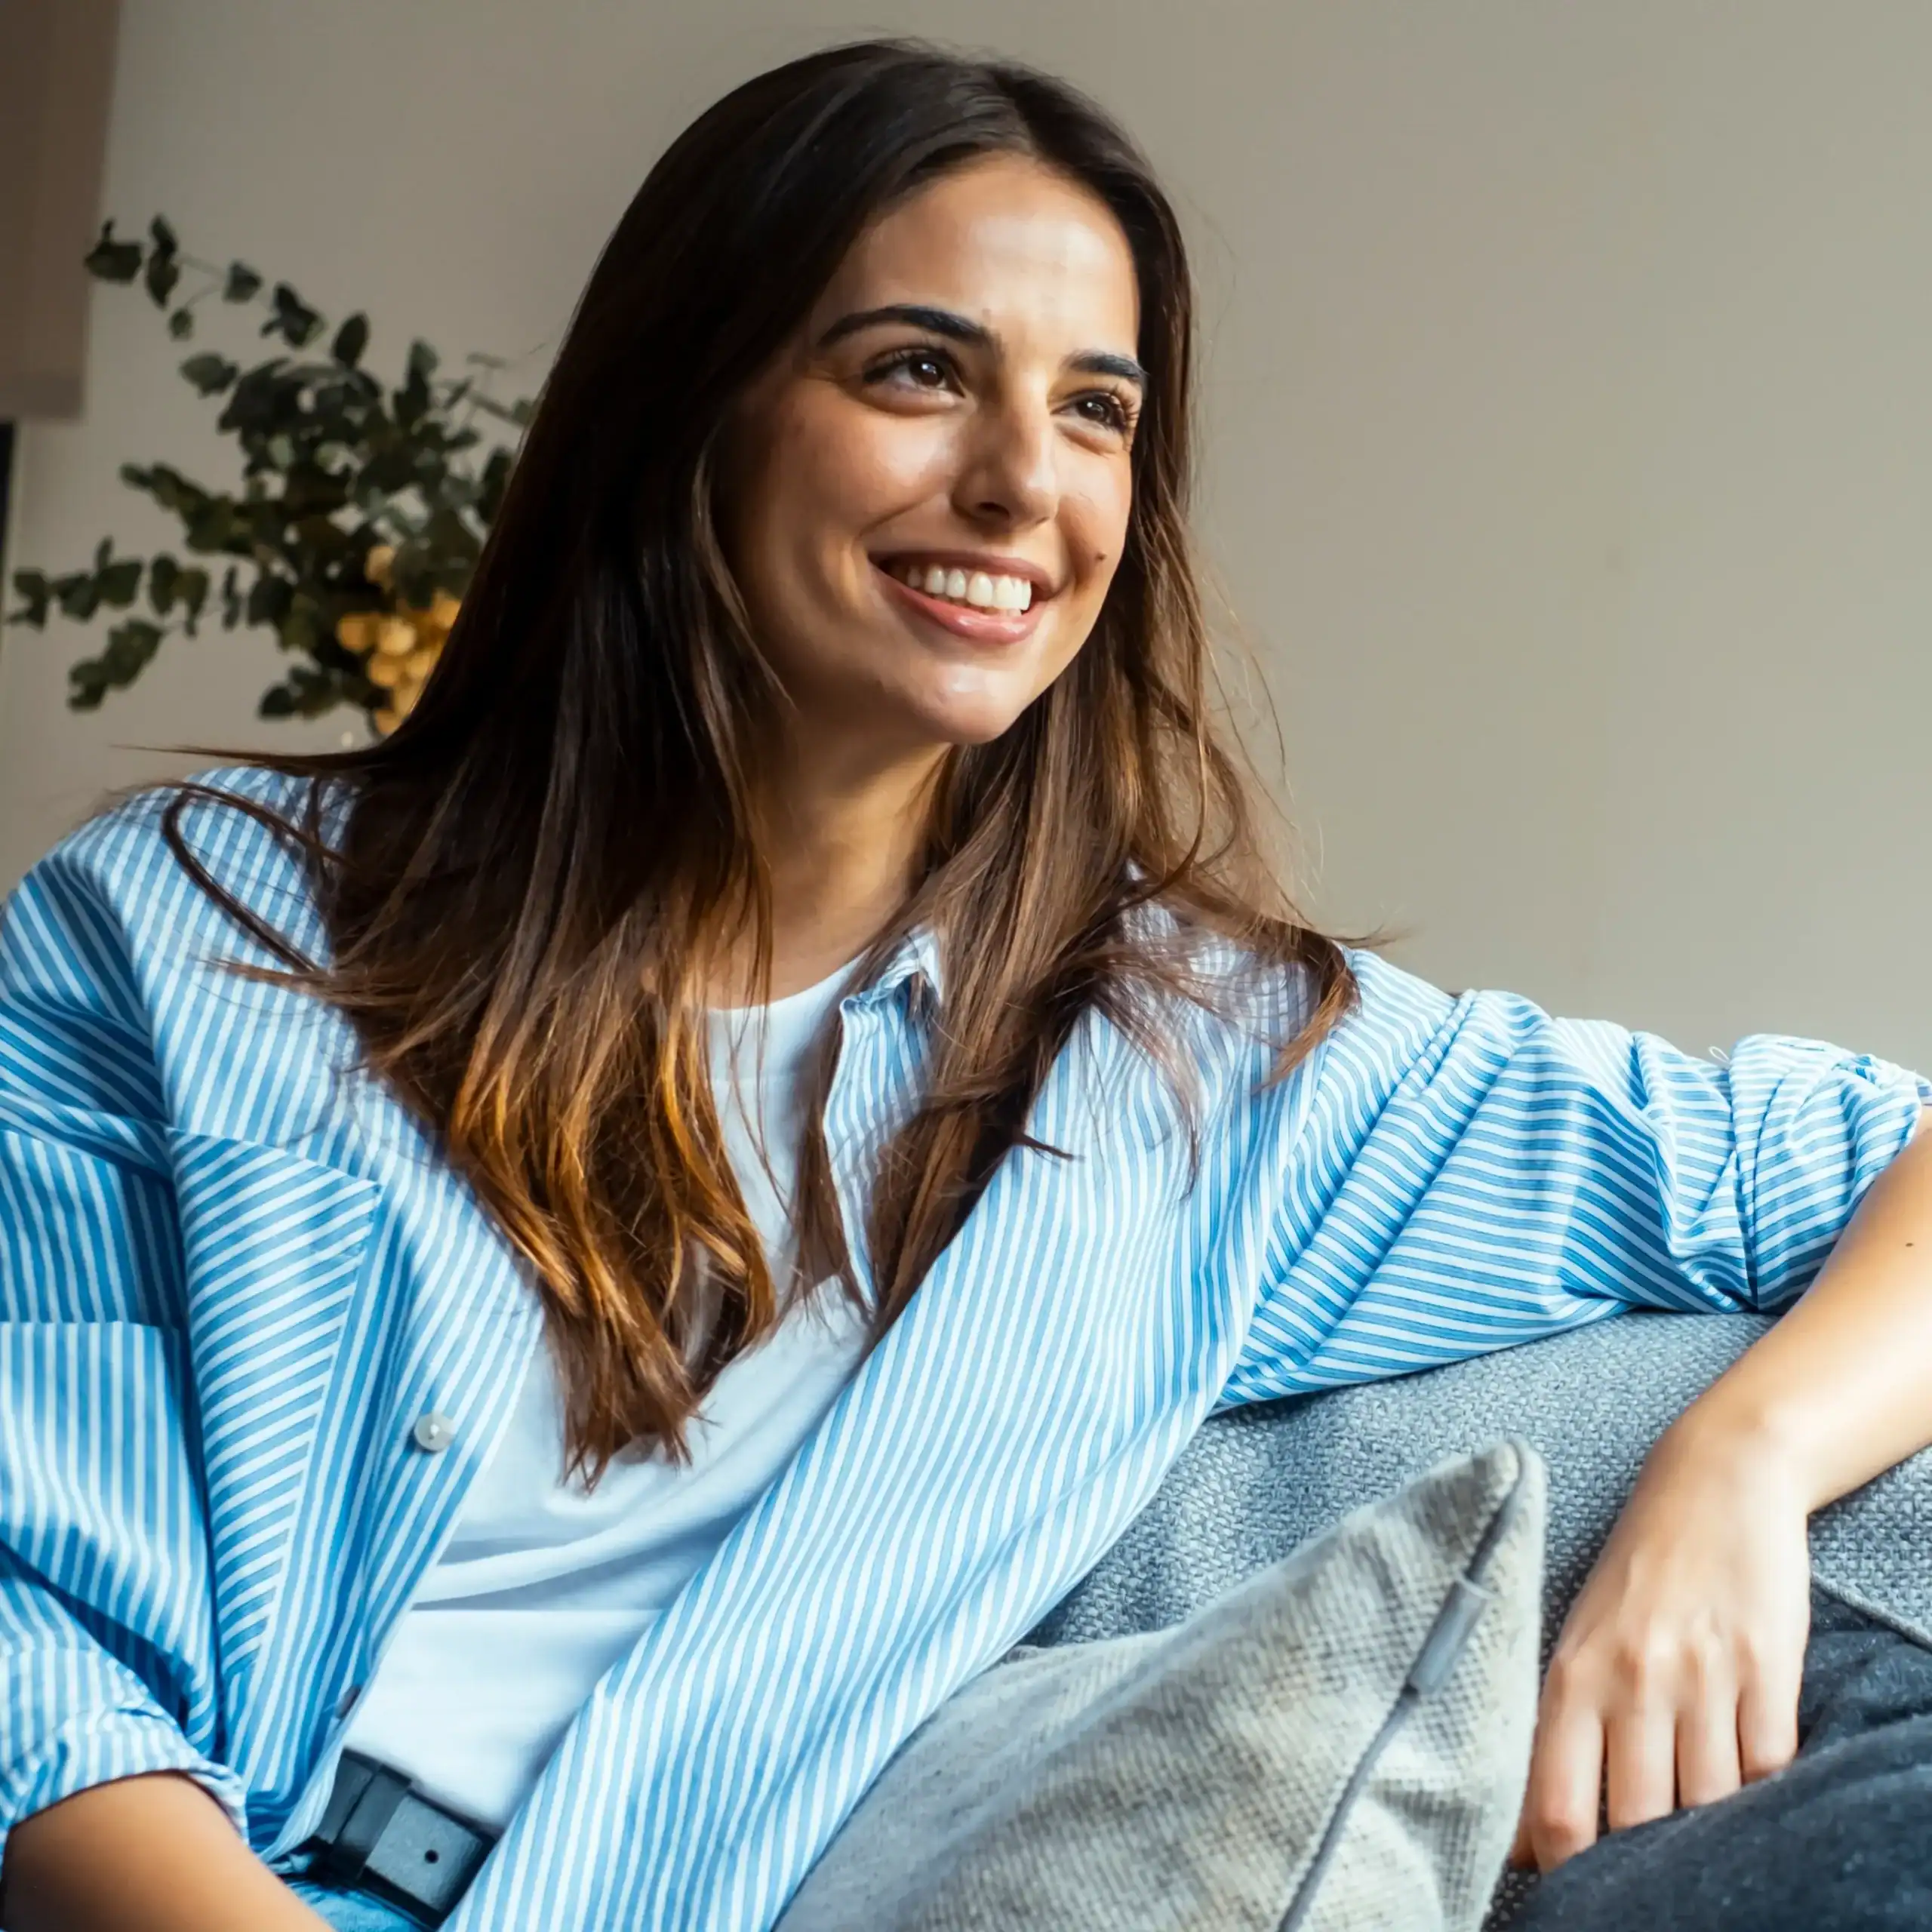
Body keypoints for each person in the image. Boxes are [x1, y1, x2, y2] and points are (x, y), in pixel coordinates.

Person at [2, 38, 1929, 1932]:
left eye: (1095, 410)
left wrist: (1741, 1461)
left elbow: (1875, 1148)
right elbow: (42, 1652)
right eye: (917, 370)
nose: (1021, 482)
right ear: (690, 405)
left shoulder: (1202, 1065)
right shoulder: (180, 931)